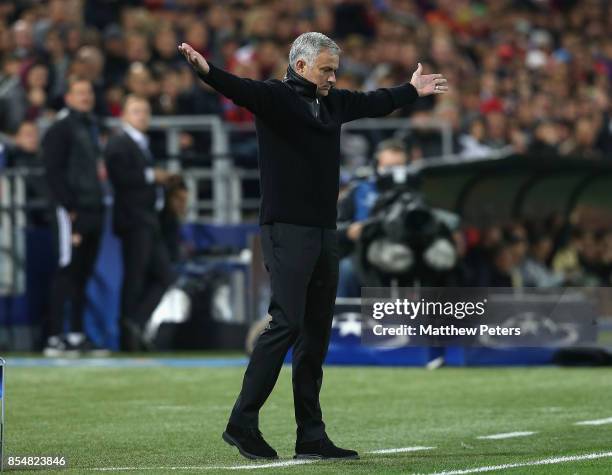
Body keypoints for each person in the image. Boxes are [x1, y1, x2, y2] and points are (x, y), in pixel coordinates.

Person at [179, 31, 447, 461]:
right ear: (300, 66)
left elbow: (373, 101)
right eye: (326, 69)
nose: (332, 77)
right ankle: (241, 423)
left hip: (325, 231)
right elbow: (238, 88)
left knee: (316, 334)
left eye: (335, 69)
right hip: (286, 229)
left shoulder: (333, 103)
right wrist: (207, 71)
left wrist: (410, 91)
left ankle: (311, 435)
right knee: (285, 322)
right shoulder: (276, 97)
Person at [42, 78, 108, 356]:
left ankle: (77, 334)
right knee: (67, 270)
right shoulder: (60, 129)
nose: (85, 97)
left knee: (83, 273)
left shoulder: (90, 127)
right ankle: (55, 336)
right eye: (79, 92)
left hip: (93, 208)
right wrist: (68, 207)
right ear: (68, 97)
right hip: (73, 210)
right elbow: (53, 171)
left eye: (88, 92)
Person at [104, 94, 175, 351]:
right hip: (134, 220)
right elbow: (119, 176)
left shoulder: (139, 143)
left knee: (163, 275)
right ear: (123, 115)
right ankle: (128, 333)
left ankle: (134, 323)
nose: (142, 116)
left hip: (147, 219)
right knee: (135, 277)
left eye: (145, 111)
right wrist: (151, 175)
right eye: (136, 111)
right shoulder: (119, 143)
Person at [336, 139, 410, 297]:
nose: (393, 172)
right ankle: (342, 316)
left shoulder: (412, 193)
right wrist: (349, 231)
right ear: (377, 165)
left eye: (399, 167)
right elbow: (335, 228)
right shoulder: (359, 190)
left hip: (404, 252)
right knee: (346, 269)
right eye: (389, 167)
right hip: (363, 253)